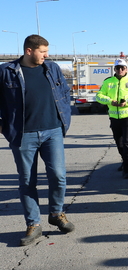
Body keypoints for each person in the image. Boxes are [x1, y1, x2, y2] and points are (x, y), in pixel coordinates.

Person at [0, 35, 75, 246]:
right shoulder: (7, 71)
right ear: (29, 51)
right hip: (23, 134)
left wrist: (63, 120)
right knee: (27, 182)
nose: (47, 55)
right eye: (43, 51)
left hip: (53, 131)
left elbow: (64, 92)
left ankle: (56, 213)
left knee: (58, 176)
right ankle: (34, 224)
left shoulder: (52, 68)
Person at [96, 58, 128, 179]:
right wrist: (109, 101)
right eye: (118, 68)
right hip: (114, 117)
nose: (120, 70)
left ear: (126, 69)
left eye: (123, 68)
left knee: (127, 142)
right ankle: (125, 160)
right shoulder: (108, 82)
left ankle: (127, 167)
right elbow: (99, 96)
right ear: (114, 69)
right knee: (119, 142)